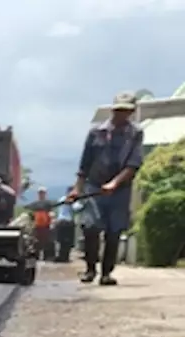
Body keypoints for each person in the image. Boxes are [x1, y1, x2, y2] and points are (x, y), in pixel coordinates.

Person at [66, 91, 145, 286]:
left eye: (126, 111)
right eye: (118, 110)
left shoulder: (135, 133)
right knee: (90, 227)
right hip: (94, 186)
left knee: (114, 231)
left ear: (132, 112)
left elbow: (133, 164)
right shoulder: (96, 132)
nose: (121, 114)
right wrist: (78, 188)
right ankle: (90, 268)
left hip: (120, 189)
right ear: (112, 109)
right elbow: (84, 164)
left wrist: (114, 184)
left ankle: (106, 273)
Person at [27, 187, 55, 260]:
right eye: (40, 193)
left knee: (47, 241)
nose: (41, 194)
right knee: (36, 241)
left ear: (45, 194)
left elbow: (51, 213)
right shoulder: (35, 204)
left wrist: (52, 221)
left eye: (42, 193)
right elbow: (30, 212)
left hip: (46, 224)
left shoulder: (48, 203)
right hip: (37, 225)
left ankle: (47, 256)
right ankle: (36, 256)